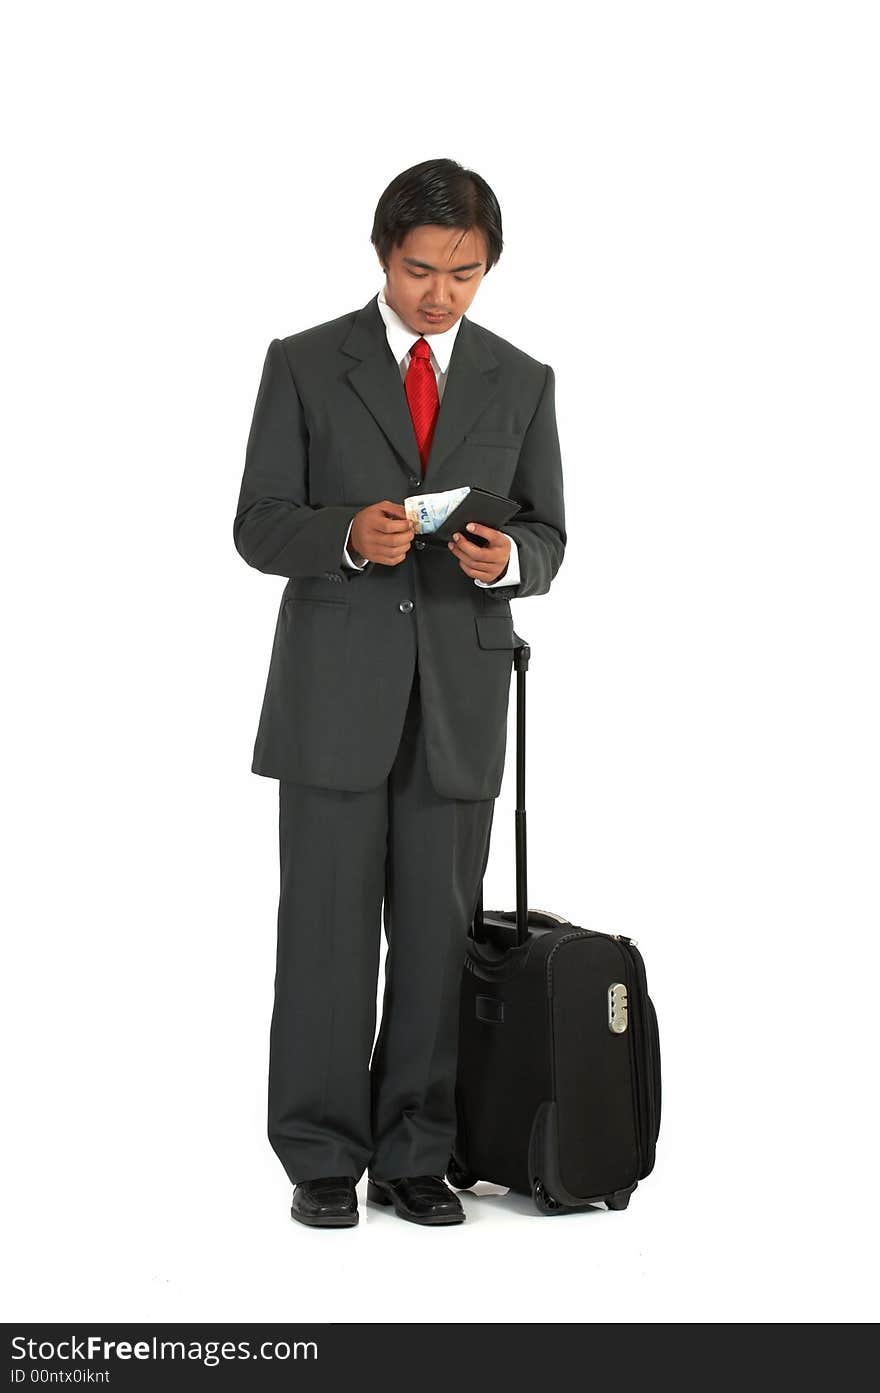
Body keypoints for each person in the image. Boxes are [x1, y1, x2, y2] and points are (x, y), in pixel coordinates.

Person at [233, 157, 566, 1228]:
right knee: (326, 933)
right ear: (385, 253)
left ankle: (418, 1150)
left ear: (487, 267)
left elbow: (549, 537)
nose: (440, 294)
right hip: (334, 694)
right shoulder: (302, 364)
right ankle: (322, 1157)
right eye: (422, 269)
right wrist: (341, 533)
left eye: (464, 273)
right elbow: (257, 520)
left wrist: (502, 560)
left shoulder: (522, 378)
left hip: (459, 695)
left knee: (437, 933)